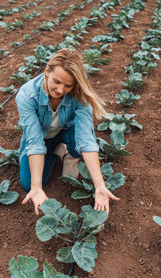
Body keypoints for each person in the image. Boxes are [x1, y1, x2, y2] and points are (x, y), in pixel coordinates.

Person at [15, 48, 119, 215]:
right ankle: (57, 151)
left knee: (81, 146)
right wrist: (36, 187)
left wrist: (100, 185)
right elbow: (34, 142)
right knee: (29, 184)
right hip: (42, 138)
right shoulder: (27, 95)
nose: (61, 90)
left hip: (67, 132)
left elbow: (86, 139)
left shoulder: (79, 95)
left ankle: (71, 154)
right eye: (57, 81)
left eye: (68, 85)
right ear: (47, 71)